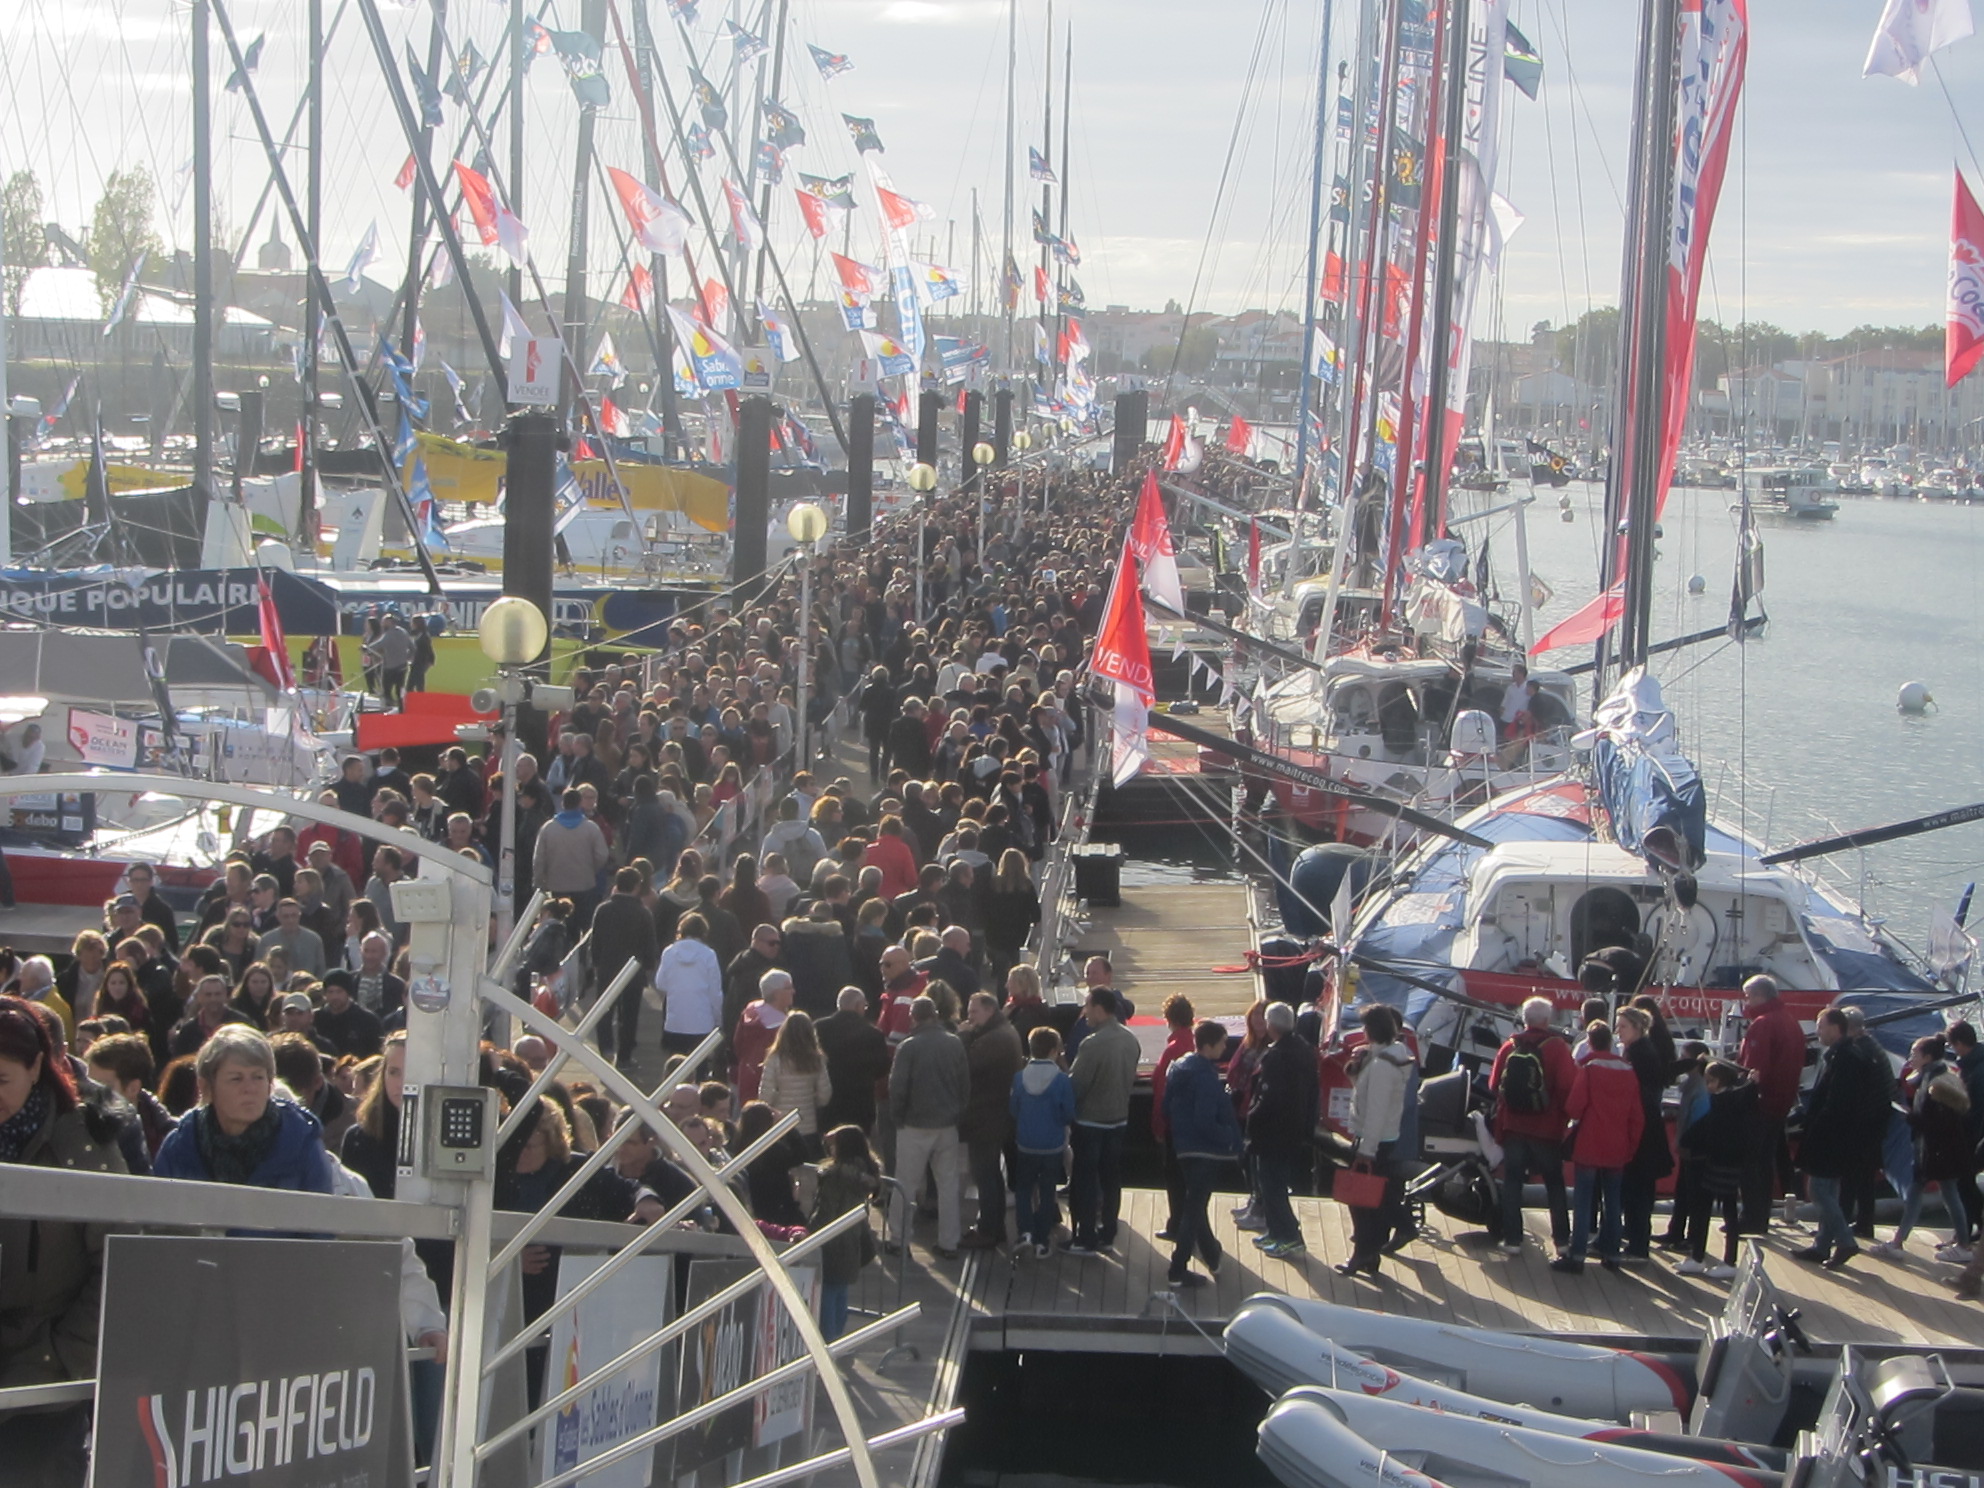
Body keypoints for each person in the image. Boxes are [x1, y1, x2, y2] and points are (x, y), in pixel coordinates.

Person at [0, 994, 127, 1486]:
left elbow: (118, 1263)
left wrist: (57, 1360)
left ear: (37, 1067)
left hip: (46, 1382)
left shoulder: (82, 1142)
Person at [153, 1024, 338, 1191]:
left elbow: (320, 1222)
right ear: (206, 1087)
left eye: (258, 1077)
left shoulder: (301, 1140)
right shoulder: (181, 1145)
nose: (250, 1088)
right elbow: (159, 1219)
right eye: (236, 1078)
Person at [1793, 1006, 1886, 1270]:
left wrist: (1818, 1127)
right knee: (1829, 1189)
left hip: (1833, 1137)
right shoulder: (1844, 1055)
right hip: (1841, 1136)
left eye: (1821, 1026)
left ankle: (1845, 1240)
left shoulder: (1846, 1058)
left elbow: (1838, 1104)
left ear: (1835, 1028)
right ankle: (1822, 1245)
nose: (1818, 1032)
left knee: (1819, 1190)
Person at [1551, 1021, 1643, 1275]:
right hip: (1618, 1144)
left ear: (1590, 1042)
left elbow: (1574, 1107)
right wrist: (1631, 1145)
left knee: (1583, 1200)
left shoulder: (1590, 1069)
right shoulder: (1628, 1070)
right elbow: (1637, 1115)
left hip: (1590, 1142)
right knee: (1613, 1201)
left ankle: (1577, 1254)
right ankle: (1612, 1253)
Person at [1490, 996, 1577, 1256]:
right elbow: (1566, 1086)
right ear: (1547, 1020)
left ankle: (1513, 1239)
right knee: (1554, 1184)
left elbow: (1495, 1085)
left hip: (1514, 1126)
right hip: (1546, 1128)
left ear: (1524, 1019)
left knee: (1513, 1181)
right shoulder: (1558, 1048)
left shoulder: (1510, 1046)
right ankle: (1562, 1241)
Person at [887, 995, 969, 1260]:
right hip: (947, 1123)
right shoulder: (954, 1043)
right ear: (935, 1015)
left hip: (914, 1124)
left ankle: (898, 1240)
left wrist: (897, 1117)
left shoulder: (908, 1047)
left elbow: (897, 1088)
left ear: (914, 1017)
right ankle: (949, 1242)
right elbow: (963, 1084)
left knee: (905, 1184)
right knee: (948, 1184)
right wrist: (958, 1112)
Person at [1163, 1018, 1242, 1288]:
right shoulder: (1206, 1077)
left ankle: (1212, 1255)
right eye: (1221, 1043)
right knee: (1194, 1210)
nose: (1224, 1047)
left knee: (1195, 1205)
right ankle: (1177, 1268)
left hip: (1184, 1146)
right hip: (1206, 1151)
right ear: (1209, 1046)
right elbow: (1205, 1119)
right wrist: (1229, 1137)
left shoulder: (1178, 1069)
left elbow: (1167, 1105)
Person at [1338, 1005, 1415, 1278]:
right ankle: (1370, 1253)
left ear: (1372, 1029)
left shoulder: (1383, 1066)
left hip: (1374, 1140)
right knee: (1373, 1199)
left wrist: (1366, 1150)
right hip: (1383, 1137)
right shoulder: (1390, 1057)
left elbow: (1376, 1111)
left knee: (1363, 1201)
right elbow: (1365, 1089)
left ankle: (1363, 1253)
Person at [1065, 986, 1139, 1257]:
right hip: (1119, 1120)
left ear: (1098, 1009)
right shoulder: (1130, 1040)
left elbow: (1077, 1086)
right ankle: (1108, 1233)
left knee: (1084, 1180)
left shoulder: (1092, 1044)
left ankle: (1084, 1238)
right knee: (1111, 1179)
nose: (1084, 1013)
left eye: (1087, 1006)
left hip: (1091, 1122)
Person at [1247, 1000, 1318, 1260]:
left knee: (1272, 1185)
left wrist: (1251, 1119)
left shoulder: (1277, 1056)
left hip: (1274, 1132)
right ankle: (1275, 1231)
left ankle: (1289, 1235)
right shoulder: (1305, 1050)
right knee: (1273, 1183)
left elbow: (1269, 1097)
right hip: (1295, 1129)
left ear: (1271, 1025)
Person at [1675, 1060, 1757, 1280]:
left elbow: (1706, 1130)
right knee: (1728, 1209)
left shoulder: (1723, 1102)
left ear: (1719, 1081)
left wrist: (1687, 1141)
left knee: (1705, 1209)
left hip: (1719, 1161)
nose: (1708, 1085)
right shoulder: (1740, 1097)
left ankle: (1704, 1257)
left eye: (1710, 1081)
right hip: (1732, 1161)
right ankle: (1724, 1259)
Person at [1737, 974, 1806, 1234]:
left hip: (1760, 1103)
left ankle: (1751, 1216)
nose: (1746, 1001)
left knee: (1751, 1162)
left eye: (1748, 996)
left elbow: (1755, 1068)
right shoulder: (1791, 1022)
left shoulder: (1763, 1024)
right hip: (1781, 1102)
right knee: (1765, 1163)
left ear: (1758, 996)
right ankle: (1760, 1215)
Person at [959, 989, 1024, 1249]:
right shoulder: (1002, 1032)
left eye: (974, 1011)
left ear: (990, 1011)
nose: (969, 1017)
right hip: (995, 1115)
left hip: (987, 1118)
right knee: (990, 1175)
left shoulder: (995, 1039)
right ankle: (993, 1226)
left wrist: (963, 1036)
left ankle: (988, 1230)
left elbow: (966, 1064)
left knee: (985, 1174)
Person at [809, 1125, 880, 1342]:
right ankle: (838, 1334)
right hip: (852, 1238)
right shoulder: (864, 1175)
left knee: (828, 1290)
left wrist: (810, 1231)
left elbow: (826, 1211)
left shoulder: (834, 1177)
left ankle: (828, 1338)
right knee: (841, 1289)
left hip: (830, 1239)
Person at [1616, 1005, 1674, 1263]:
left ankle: (1638, 1246)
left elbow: (1639, 1093)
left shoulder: (1640, 1054)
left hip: (1643, 1131)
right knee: (1638, 1189)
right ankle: (1634, 1238)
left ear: (1638, 1028)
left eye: (1623, 1027)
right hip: (1646, 1128)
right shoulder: (1639, 1051)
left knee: (1637, 1189)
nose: (1618, 1031)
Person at [1010, 1024, 1074, 1257]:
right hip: (1052, 1145)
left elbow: (1014, 1108)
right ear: (1054, 1051)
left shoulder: (1019, 1078)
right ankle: (1041, 1238)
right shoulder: (1062, 1080)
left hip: (1026, 1143)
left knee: (1024, 1189)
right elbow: (1068, 1113)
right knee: (1048, 1192)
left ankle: (1024, 1230)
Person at [590, 866, 659, 1068]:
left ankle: (606, 1049)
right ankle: (625, 1056)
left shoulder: (603, 910)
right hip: (633, 972)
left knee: (604, 1010)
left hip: (607, 968)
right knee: (629, 1016)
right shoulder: (643, 913)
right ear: (637, 886)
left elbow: (596, 941)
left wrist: (595, 964)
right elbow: (649, 944)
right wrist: (648, 965)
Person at [1150, 993, 1197, 1244]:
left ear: (1169, 1019)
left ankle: (1176, 1224)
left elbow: (1161, 1089)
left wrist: (1158, 1124)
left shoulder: (1172, 1050)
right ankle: (1188, 1223)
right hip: (1192, 1123)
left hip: (1174, 1125)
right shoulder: (1194, 1043)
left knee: (1175, 1178)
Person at [758, 1009, 833, 1155]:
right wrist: (812, 1101)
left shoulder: (775, 1059)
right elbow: (825, 1095)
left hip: (781, 1126)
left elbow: (765, 1095)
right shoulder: (816, 1059)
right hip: (808, 1125)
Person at [656, 913, 725, 1070]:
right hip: (702, 1020)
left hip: (675, 1020)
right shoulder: (708, 954)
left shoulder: (669, 952)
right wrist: (718, 1019)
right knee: (700, 1066)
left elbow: (660, 983)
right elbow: (715, 991)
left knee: (675, 1068)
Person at [533, 788, 610, 928]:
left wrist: (540, 882)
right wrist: (591, 870)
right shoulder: (591, 828)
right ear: (580, 803)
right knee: (584, 926)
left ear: (562, 803)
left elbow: (539, 859)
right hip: (585, 885)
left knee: (559, 925)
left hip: (557, 885)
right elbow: (602, 855)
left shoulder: (548, 828)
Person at [732, 969, 795, 1103]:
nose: (793, 991)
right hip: (771, 1087)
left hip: (746, 1077)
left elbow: (737, 1046)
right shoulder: (782, 1026)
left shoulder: (749, 1012)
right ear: (776, 993)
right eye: (788, 988)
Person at [315, 970, 385, 1058]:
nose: (334, 997)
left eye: (339, 991)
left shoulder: (368, 1021)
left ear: (348, 993)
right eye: (330, 992)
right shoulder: (316, 1018)